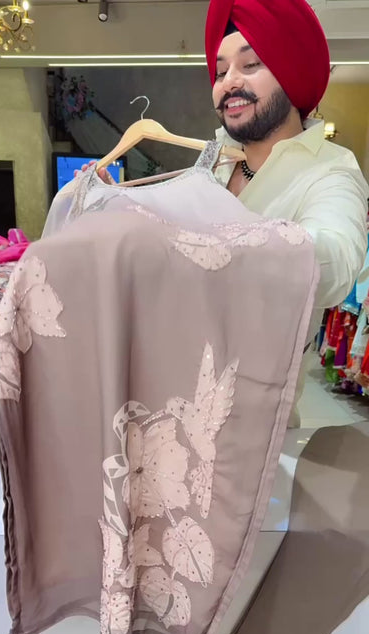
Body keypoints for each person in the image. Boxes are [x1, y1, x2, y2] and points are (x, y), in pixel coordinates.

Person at [77, 0, 368, 423]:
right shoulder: (211, 163)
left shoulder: (331, 169)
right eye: (219, 71)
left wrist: (217, 244)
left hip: (253, 429)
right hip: (159, 407)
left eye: (250, 65)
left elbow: (335, 266)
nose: (229, 82)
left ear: (291, 72)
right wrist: (114, 210)